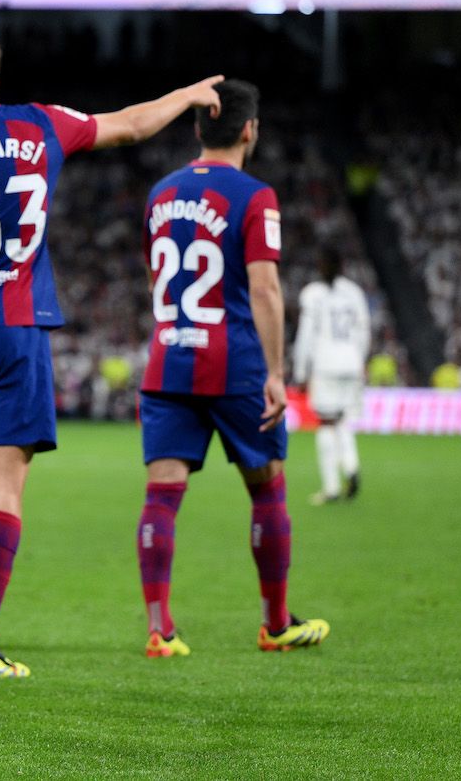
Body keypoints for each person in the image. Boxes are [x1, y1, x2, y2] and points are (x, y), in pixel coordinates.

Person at [0, 27, 224, 677]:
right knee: (5, 485)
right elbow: (134, 125)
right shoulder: (42, 125)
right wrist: (188, 92)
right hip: (16, 328)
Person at [136, 79, 329, 658]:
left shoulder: (160, 194)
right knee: (267, 486)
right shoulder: (256, 196)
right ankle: (275, 623)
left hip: (169, 359)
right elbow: (266, 288)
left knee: (161, 495)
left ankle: (159, 630)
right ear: (250, 130)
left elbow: (154, 280)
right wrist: (276, 371)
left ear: (199, 129)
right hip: (235, 362)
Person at [292, 247, 370, 504]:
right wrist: (360, 360)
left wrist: (301, 371)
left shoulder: (313, 294)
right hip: (351, 363)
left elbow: (306, 335)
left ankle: (332, 487)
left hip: (326, 364)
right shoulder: (355, 293)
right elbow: (363, 330)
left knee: (326, 423)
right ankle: (351, 466)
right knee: (341, 420)